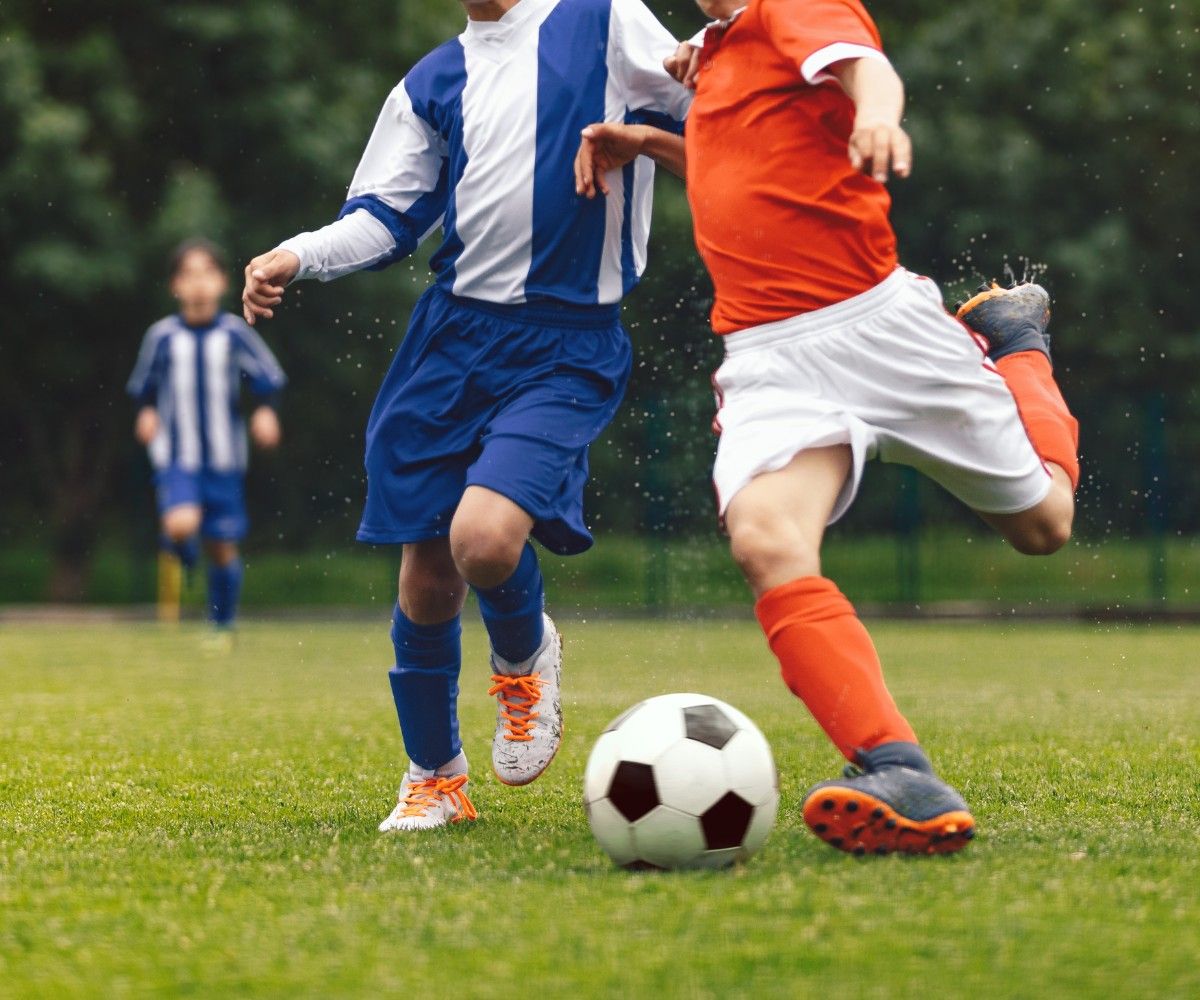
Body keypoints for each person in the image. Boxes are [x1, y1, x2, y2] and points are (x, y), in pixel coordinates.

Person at [574, 0, 1079, 855]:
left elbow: (866, 69)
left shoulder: (790, 6)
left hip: (879, 328)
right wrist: (651, 146)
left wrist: (878, 115)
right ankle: (895, 767)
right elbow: (740, 173)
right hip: (770, 360)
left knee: (1044, 527)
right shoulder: (714, 55)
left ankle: (1014, 343)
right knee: (766, 541)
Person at [241, 0, 692, 832]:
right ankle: (436, 778)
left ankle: (525, 659)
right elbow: (384, 219)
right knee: (428, 566)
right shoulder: (431, 81)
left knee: (482, 540)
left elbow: (716, 127)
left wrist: (684, 97)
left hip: (567, 344)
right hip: (449, 343)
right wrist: (295, 255)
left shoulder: (605, 19)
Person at [127, 239, 286, 646]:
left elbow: (266, 379)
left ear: (221, 282)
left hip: (224, 458)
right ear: (175, 285)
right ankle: (183, 549)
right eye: (188, 275)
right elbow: (144, 389)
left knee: (222, 546)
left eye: (206, 273)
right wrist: (146, 413)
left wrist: (265, 411)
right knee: (182, 524)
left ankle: (221, 624)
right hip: (177, 455)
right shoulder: (161, 337)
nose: (198, 284)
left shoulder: (234, 334)